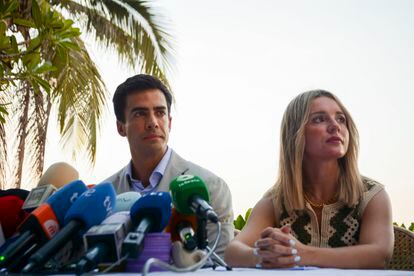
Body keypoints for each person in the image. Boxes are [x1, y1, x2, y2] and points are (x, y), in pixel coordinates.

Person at [224, 90, 394, 269]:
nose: (335, 126)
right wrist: (262, 256)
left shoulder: (372, 195)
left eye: (341, 119)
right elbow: (232, 251)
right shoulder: (275, 201)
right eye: (319, 119)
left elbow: (379, 255)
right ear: (295, 134)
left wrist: (302, 254)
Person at [103, 74, 234, 257]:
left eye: (160, 113)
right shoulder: (106, 196)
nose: (153, 123)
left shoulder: (210, 187)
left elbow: (219, 263)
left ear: (169, 122)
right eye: (140, 113)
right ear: (121, 127)